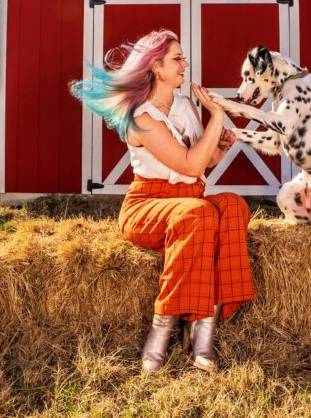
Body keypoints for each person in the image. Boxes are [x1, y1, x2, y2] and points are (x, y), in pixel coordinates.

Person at [69, 29, 255, 373]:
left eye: (183, 58)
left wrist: (220, 145)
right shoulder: (142, 117)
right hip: (148, 205)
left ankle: (202, 333)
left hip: (188, 200)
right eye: (178, 59)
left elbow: (204, 160)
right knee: (198, 213)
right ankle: (161, 332)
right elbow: (189, 165)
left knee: (232, 205)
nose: (186, 63)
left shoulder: (182, 106)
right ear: (156, 67)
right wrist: (217, 115)